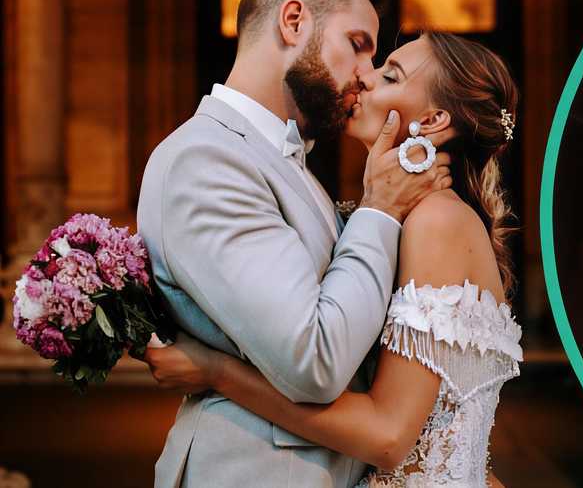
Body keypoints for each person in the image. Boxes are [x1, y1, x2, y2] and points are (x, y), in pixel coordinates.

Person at [144, 29, 522, 488]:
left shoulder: (437, 224)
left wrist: (218, 372)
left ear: (435, 119)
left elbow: (387, 436)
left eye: (390, 75)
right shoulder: (404, 219)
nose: (364, 78)